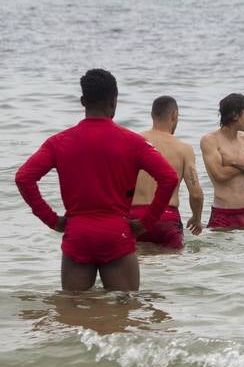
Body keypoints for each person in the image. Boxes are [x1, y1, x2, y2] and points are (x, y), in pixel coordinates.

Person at [15, 69, 179, 291]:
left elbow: (23, 178)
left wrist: (52, 220)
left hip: (78, 235)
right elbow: (168, 178)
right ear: (114, 102)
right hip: (117, 233)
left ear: (83, 101)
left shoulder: (58, 142)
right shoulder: (133, 142)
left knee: (73, 307)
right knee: (125, 306)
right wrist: (146, 223)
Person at [130, 95, 205, 249]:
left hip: (135, 218)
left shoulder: (133, 141)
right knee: (171, 263)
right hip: (167, 218)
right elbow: (196, 194)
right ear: (174, 115)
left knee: (137, 262)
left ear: (152, 115)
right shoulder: (184, 149)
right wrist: (196, 219)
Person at [200, 93, 244, 230]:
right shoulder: (210, 140)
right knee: (220, 245)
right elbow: (220, 175)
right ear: (235, 115)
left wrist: (234, 161)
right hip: (224, 213)